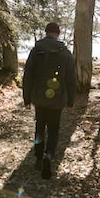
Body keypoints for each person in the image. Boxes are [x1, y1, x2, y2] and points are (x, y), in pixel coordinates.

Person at [22, 22, 76, 179]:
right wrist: (70, 102)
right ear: (58, 34)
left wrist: (27, 99)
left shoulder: (35, 50)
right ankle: (48, 155)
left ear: (46, 32)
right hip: (57, 99)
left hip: (39, 98)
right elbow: (71, 79)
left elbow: (28, 76)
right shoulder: (65, 53)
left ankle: (38, 158)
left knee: (39, 127)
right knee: (53, 130)